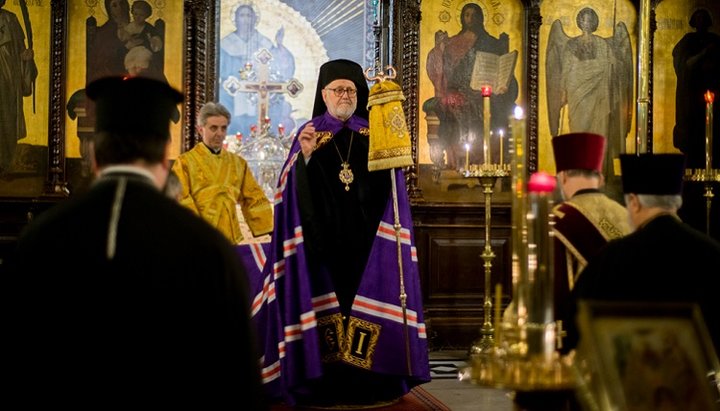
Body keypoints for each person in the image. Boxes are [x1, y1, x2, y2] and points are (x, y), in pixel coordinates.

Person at [3, 76, 267, 408]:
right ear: (165, 161)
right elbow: (235, 381)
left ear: (95, 156)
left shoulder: (40, 237)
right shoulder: (208, 248)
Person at [248, 59, 430, 406]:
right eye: (338, 90)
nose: (344, 96)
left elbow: (392, 189)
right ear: (324, 95)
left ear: (359, 95)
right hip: (321, 244)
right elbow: (287, 192)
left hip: (368, 243)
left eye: (350, 90)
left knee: (364, 307)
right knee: (325, 308)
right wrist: (304, 157)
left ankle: (372, 383)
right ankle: (322, 384)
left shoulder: (373, 133)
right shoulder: (309, 134)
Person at [564, 153, 720, 353]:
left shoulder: (610, 259)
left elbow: (576, 325)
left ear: (634, 202)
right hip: (697, 381)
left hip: (629, 381)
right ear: (675, 201)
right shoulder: (711, 252)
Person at [546, 7, 633, 201]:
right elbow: (566, 70)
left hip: (599, 97)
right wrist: (562, 90)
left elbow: (613, 66)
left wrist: (615, 61)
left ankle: (597, 177)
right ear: (579, 22)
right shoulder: (570, 45)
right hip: (578, 96)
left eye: (589, 19)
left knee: (599, 135)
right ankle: (578, 177)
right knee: (579, 132)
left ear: (593, 23)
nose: (586, 23)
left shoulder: (603, 44)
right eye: (583, 19)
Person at [550, 132, 632, 329]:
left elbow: (552, 290)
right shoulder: (626, 215)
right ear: (601, 178)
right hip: (623, 327)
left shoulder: (557, 219)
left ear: (563, 176)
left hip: (579, 328)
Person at [172, 101, 273, 244]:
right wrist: (197, 229)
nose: (219, 134)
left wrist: (269, 228)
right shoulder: (184, 163)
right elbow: (180, 198)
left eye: (223, 128)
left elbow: (253, 197)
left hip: (229, 238)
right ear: (200, 129)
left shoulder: (238, 163)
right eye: (213, 128)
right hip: (196, 239)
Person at [433, 3, 518, 169]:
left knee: (500, 106)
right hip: (458, 89)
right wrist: (440, 48)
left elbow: (503, 69)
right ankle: (463, 160)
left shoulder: (491, 43)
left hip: (486, 91)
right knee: (456, 104)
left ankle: (491, 161)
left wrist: (504, 85)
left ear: (481, 18)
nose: (470, 19)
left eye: (474, 15)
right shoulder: (452, 43)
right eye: (467, 15)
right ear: (462, 18)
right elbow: (443, 69)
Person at [672, 8, 720, 240]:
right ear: (693, 22)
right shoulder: (688, 42)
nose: (701, 22)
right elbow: (684, 67)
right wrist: (704, 54)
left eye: (705, 18)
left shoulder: (716, 41)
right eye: (698, 18)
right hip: (692, 104)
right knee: (693, 149)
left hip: (714, 104)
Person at [219, 3, 296, 135]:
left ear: (255, 20)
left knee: (275, 103)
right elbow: (220, 71)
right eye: (242, 15)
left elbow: (281, 69)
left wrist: (280, 45)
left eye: (249, 15)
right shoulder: (226, 44)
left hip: (261, 93)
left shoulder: (264, 43)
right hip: (234, 93)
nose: (245, 19)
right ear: (235, 19)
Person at [0, 0, 38, 174]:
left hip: (8, 79)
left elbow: (21, 50)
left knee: (7, 116)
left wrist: (26, 58)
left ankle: (6, 163)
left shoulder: (10, 19)